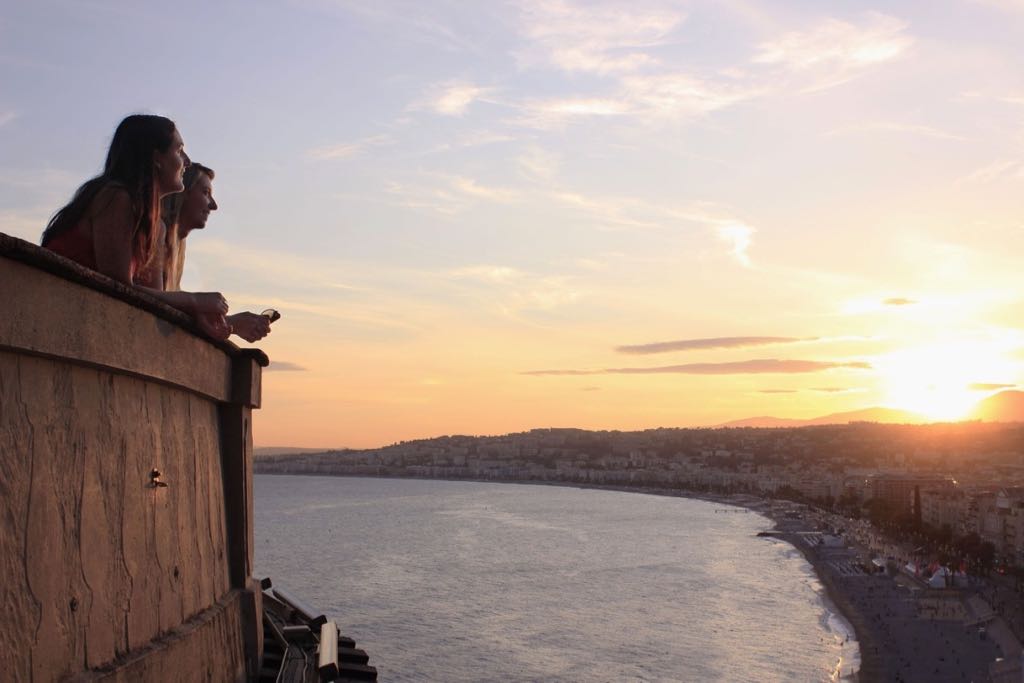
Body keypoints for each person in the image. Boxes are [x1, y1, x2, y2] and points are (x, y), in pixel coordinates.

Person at [41, 115, 230, 338]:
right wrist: (193, 301)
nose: (186, 162)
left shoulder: (156, 226)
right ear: (156, 157)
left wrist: (196, 312)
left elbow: (154, 299)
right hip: (50, 314)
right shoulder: (116, 197)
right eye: (179, 150)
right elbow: (118, 288)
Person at [147, 162, 272, 343]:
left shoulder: (177, 245)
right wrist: (199, 302)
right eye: (206, 193)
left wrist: (230, 322)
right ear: (182, 194)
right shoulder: (157, 231)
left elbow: (170, 303)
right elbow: (153, 302)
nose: (213, 206)